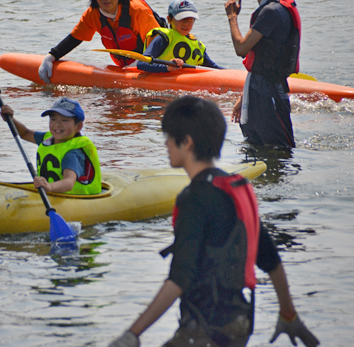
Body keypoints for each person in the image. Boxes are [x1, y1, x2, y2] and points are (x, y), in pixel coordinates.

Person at [109, 96, 319, 347]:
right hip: (240, 322)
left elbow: (179, 278)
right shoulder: (238, 187)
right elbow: (271, 259)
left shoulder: (194, 197)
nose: (165, 144)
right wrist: (288, 314)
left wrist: (132, 333)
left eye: (169, 137)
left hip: (206, 327)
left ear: (186, 143)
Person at [225, 0, 300, 148]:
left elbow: (241, 48)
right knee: (262, 153)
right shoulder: (277, 8)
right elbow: (263, 59)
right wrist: (245, 96)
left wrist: (232, 17)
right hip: (260, 94)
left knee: (281, 151)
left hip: (268, 97)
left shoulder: (271, 12)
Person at [39, 0, 164, 82]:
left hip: (154, 62)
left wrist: (139, 64)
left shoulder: (137, 10)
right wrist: (51, 56)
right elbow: (75, 38)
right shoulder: (93, 14)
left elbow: (158, 43)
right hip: (126, 69)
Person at [0, 97, 101, 195]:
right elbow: (24, 133)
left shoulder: (72, 153)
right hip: (50, 192)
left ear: (78, 126)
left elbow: (69, 182)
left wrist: (50, 187)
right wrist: (11, 119)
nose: (57, 124)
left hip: (72, 196)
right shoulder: (48, 138)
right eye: (53, 119)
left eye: (64, 120)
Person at [138, 0, 223, 73]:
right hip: (161, 80)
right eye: (182, 18)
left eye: (190, 19)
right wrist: (167, 68)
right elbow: (141, 64)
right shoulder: (163, 38)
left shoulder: (197, 45)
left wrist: (232, 72)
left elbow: (214, 68)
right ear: (169, 19)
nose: (186, 23)